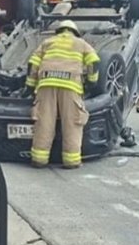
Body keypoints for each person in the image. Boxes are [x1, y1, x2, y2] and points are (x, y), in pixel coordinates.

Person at [26, 19, 99, 169]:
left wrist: (30, 85)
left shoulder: (48, 42)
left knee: (44, 122)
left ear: (59, 31)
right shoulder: (80, 43)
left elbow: (33, 63)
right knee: (72, 122)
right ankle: (71, 161)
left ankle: (39, 159)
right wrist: (92, 82)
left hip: (46, 84)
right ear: (74, 32)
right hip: (70, 86)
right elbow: (94, 62)